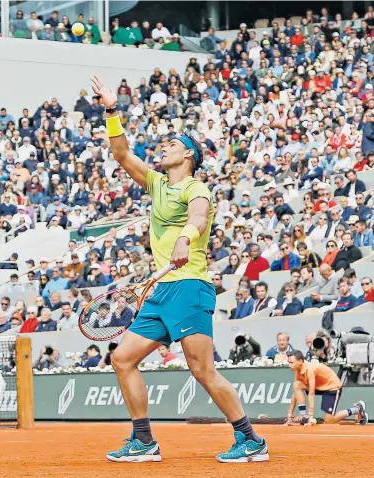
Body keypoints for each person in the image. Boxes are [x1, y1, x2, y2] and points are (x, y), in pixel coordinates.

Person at [91, 76, 268, 463]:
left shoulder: (195, 187)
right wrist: (111, 110)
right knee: (122, 358)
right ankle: (143, 441)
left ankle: (250, 439)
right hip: (160, 292)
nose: (164, 147)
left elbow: (200, 217)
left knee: (202, 370)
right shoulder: (156, 183)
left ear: (187, 155)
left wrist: (186, 238)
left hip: (189, 286)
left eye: (172, 145)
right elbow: (122, 154)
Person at [285, 350, 368, 425]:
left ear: (299, 361)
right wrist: (290, 416)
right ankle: (304, 416)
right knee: (297, 384)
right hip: (320, 386)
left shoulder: (310, 369)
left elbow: (311, 393)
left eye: (291, 362)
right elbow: (295, 392)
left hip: (332, 387)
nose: (289, 365)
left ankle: (357, 409)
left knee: (329, 421)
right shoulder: (298, 370)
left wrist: (311, 416)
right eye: (289, 362)